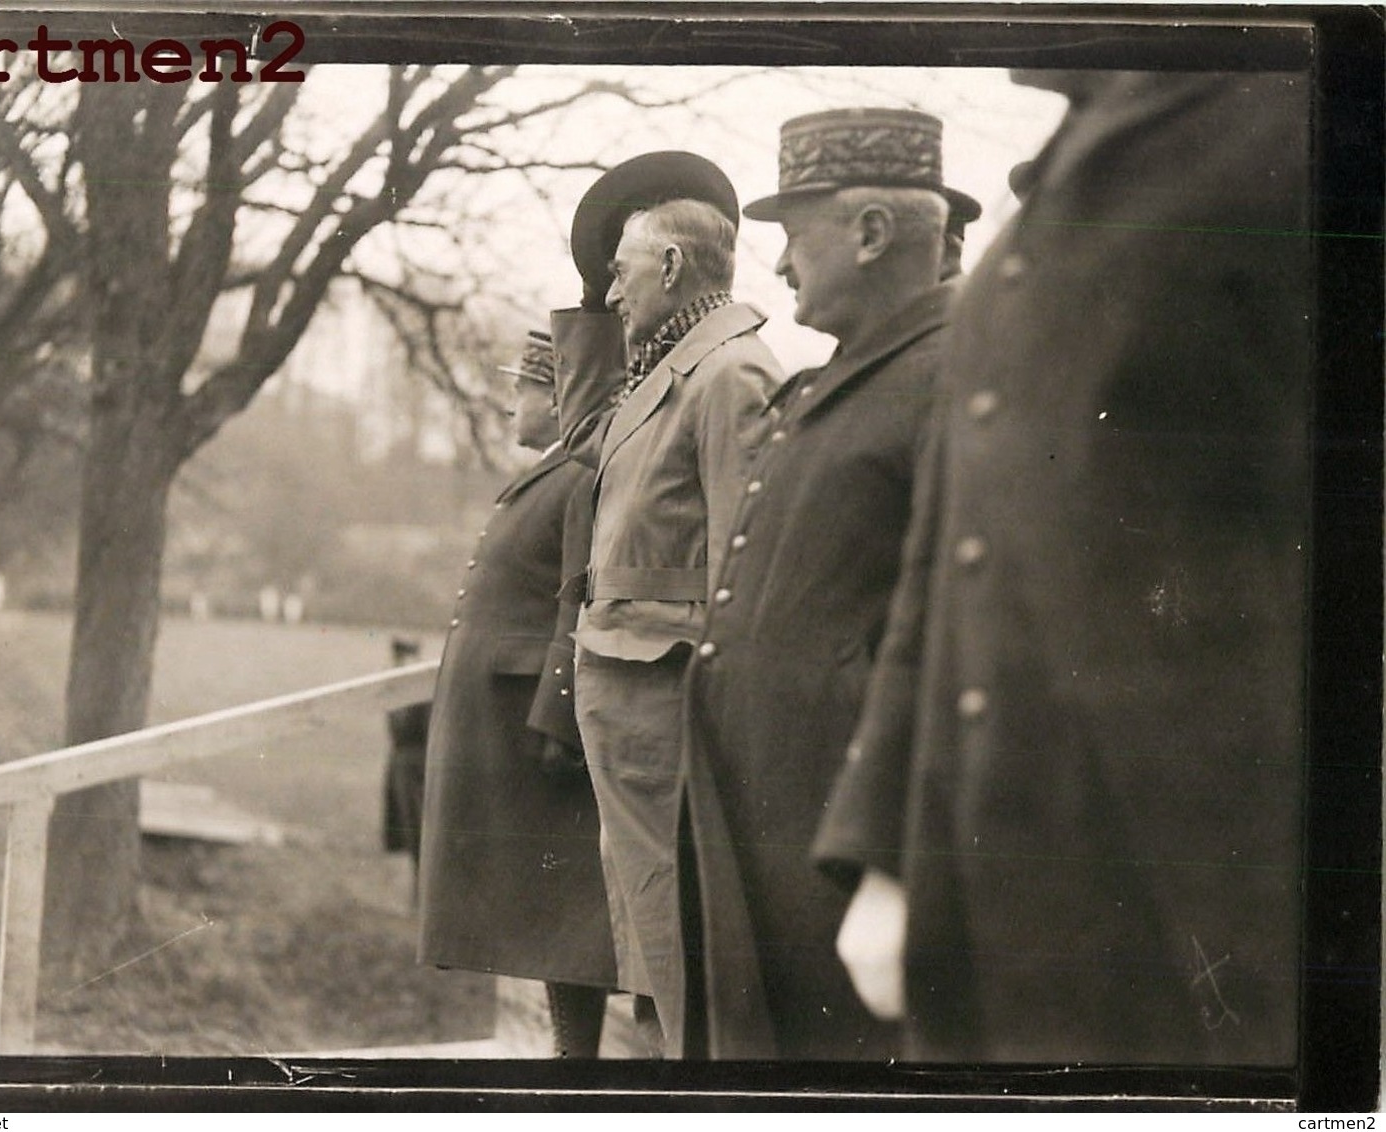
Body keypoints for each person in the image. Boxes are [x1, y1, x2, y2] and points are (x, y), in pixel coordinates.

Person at [813, 70, 1312, 1066]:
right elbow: (944, 555)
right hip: (1007, 894)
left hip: (1220, 921)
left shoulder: (1293, 119)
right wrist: (885, 857)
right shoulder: (1055, 182)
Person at [676, 108, 974, 1059]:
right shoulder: (840, 378)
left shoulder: (953, 381)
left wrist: (888, 857)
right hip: (770, 818)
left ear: (874, 234)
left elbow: (958, 635)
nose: (777, 267)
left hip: (842, 839)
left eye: (792, 238)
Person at [550, 151, 785, 1056]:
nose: (609, 296)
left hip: (672, 702)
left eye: (620, 271)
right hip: (630, 693)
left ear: (673, 269)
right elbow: (581, 434)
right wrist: (595, 285)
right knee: (653, 943)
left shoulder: (729, 374)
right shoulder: (670, 368)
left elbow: (743, 571)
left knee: (682, 946)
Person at [416, 330, 617, 1059]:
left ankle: (578, 1063)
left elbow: (577, 599)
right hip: (508, 718)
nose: (508, 406)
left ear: (559, 395)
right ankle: (572, 1057)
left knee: (567, 910)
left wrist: (557, 712)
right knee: (546, 907)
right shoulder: (557, 469)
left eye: (521, 388)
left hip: (533, 726)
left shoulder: (581, 473)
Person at [381, 635, 429, 892]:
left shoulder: (422, 690)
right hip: (400, 765)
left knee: (421, 828)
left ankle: (422, 889)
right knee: (407, 828)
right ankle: (415, 888)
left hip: (418, 766)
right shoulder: (396, 686)